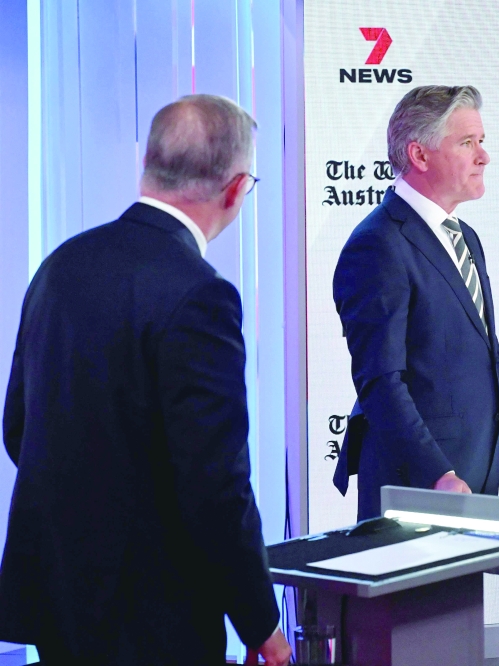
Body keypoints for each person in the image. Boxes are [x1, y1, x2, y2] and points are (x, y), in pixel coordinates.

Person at [0, 95, 291, 666]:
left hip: (57, 595)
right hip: (155, 613)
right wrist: (261, 624)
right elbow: (215, 485)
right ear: (235, 189)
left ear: (148, 167)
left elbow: (18, 427)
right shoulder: (201, 293)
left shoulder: (62, 264)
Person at [333, 85, 499, 520]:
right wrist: (437, 474)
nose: (483, 157)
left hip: (472, 483)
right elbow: (381, 383)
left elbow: (490, 366)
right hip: (419, 489)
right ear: (420, 155)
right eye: (467, 143)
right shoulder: (377, 245)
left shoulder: (466, 239)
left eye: (481, 142)